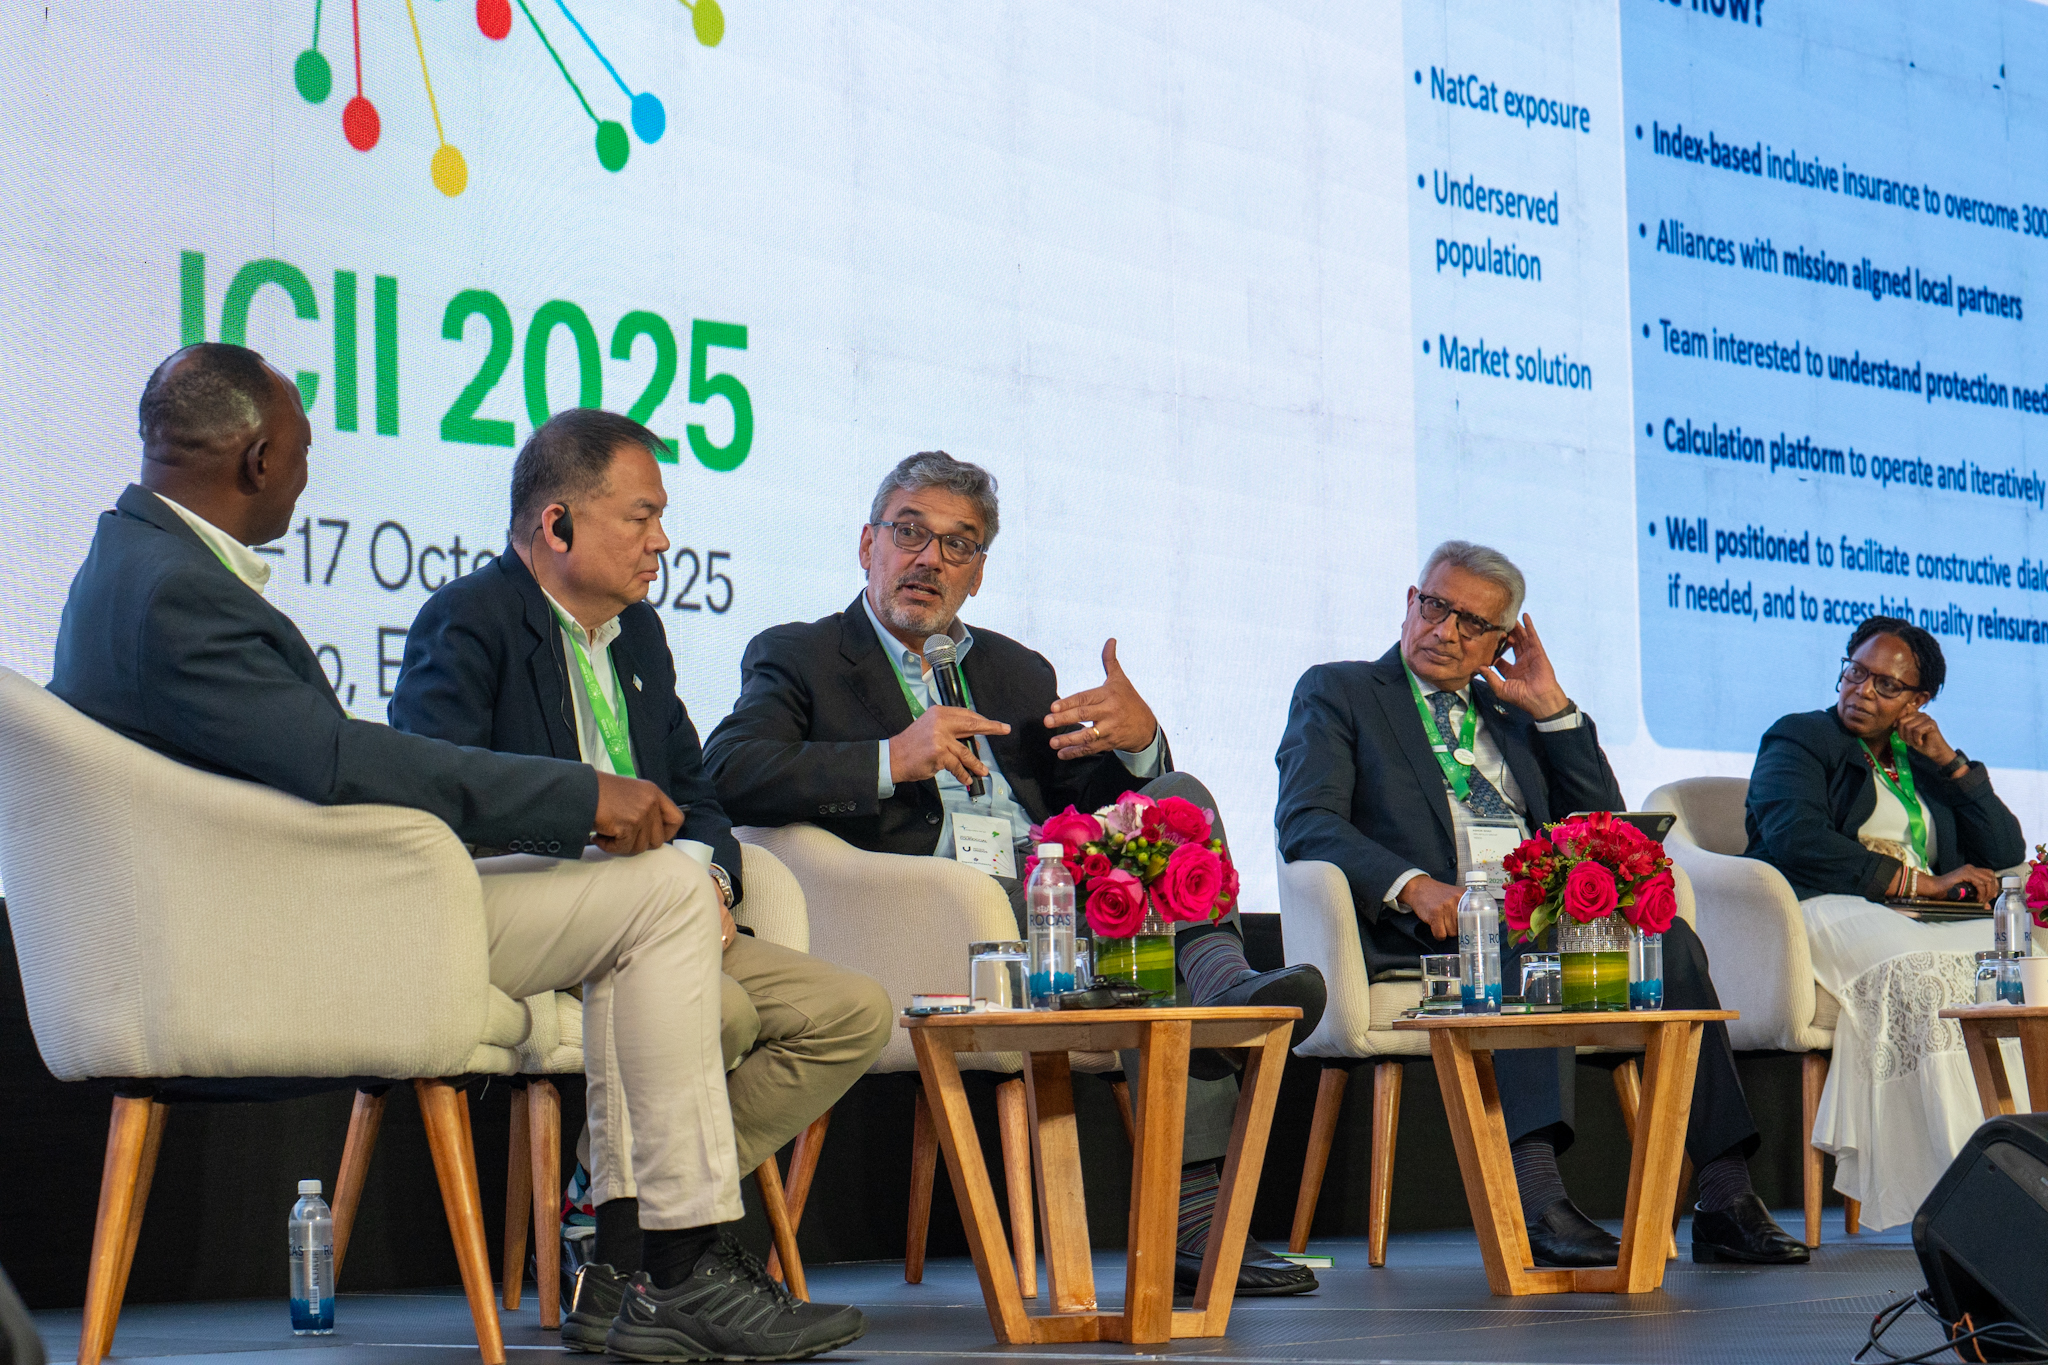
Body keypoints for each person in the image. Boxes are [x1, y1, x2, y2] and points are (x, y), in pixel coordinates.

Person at [50, 344, 866, 1363]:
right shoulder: (175, 591)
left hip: (280, 910)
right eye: (302, 453)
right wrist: (580, 796)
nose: (304, 478)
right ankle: (664, 1267)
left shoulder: (133, 569)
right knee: (659, 897)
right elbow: (338, 761)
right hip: (298, 932)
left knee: (669, 898)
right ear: (258, 460)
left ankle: (640, 1270)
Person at [701, 450, 1328, 1295]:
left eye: (956, 544)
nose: (929, 558)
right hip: (927, 922)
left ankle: (1219, 986)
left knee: (1178, 795)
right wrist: (891, 758)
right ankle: (1196, 1204)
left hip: (1054, 899)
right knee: (1156, 953)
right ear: (867, 544)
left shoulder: (1015, 671)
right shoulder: (801, 655)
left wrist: (1139, 745)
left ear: (979, 571)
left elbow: (1090, 801)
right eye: (909, 532)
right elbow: (729, 769)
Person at [389, 408, 893, 1349]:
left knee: (856, 1011)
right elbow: (436, 794)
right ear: (557, 524)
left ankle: (609, 1216)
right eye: (641, 516)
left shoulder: (641, 633)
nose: (663, 540)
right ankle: (662, 1255)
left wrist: (707, 880)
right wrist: (593, 825)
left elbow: (697, 792)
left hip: (667, 915)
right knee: (724, 1013)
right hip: (543, 915)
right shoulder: (470, 618)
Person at [1274, 540, 1806, 1267]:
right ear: (1410, 602)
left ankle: (1724, 1195)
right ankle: (1536, 1196)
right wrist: (1411, 883)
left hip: (1534, 920)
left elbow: (1607, 828)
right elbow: (1308, 820)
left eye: (1472, 623)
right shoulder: (1342, 692)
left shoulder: (1512, 711)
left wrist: (1553, 713)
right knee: (1529, 939)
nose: (1445, 631)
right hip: (1428, 927)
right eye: (1435, 606)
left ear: (1502, 641)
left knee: (1672, 941)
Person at [1744, 616, 2025, 1229]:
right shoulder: (1800, 737)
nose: (1862, 691)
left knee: (2023, 964)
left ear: (1917, 702)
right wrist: (1919, 883)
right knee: (1920, 970)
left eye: (1886, 686)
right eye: (1855, 673)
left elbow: (2005, 849)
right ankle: (1958, 1194)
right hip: (1821, 904)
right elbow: (1795, 838)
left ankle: (2023, 1169)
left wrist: (1950, 765)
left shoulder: (1919, 759)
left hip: (1917, 915)